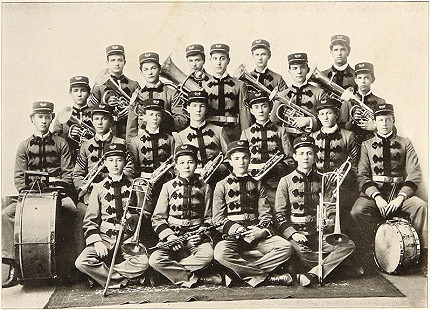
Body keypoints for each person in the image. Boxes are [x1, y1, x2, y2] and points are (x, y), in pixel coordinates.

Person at [2, 101, 76, 288]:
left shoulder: (62, 143)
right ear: (32, 119)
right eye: (39, 117)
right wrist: (32, 193)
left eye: (47, 117)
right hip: (32, 196)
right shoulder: (23, 146)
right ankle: (14, 266)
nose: (43, 121)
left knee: (71, 211)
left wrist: (56, 190)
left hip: (57, 196)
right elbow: (19, 179)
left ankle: (67, 267)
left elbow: (68, 175)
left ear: (52, 118)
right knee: (7, 214)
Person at [350, 103, 427, 267]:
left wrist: (400, 198)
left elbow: (415, 173)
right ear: (375, 123)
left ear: (393, 121)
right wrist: (377, 197)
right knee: (357, 211)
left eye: (387, 119)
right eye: (380, 120)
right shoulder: (366, 145)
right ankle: (373, 251)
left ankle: (423, 257)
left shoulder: (406, 143)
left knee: (420, 206)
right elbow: (362, 175)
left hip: (399, 193)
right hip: (375, 194)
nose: (384, 123)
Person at [274, 136, 355, 287]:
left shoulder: (324, 179)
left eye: (309, 153)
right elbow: (279, 214)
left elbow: (331, 206)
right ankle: (332, 267)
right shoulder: (285, 181)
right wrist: (293, 234)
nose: (306, 157)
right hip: (297, 234)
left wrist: (329, 220)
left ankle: (313, 273)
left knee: (348, 245)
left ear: (315, 157)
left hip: (320, 234)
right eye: (302, 153)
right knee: (298, 252)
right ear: (295, 156)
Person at [213, 140, 293, 287]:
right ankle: (266, 277)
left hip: (256, 234)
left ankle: (238, 274)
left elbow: (265, 214)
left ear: (249, 159)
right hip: (233, 236)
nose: (241, 162)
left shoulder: (258, 183)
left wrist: (261, 231)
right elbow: (217, 218)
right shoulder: (221, 185)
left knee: (286, 247)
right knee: (219, 253)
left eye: (245, 158)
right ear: (230, 161)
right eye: (236, 158)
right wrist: (235, 229)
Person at [75, 143, 148, 288]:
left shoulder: (136, 185)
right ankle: (124, 279)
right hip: (105, 238)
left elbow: (143, 213)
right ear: (104, 163)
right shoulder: (98, 188)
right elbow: (90, 221)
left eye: (119, 160)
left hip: (128, 239)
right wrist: (97, 242)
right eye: (110, 160)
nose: (115, 164)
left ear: (125, 162)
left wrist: (132, 218)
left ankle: (102, 276)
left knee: (144, 263)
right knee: (81, 262)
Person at [149, 144, 221, 287]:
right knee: (154, 260)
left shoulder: (206, 187)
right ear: (176, 166)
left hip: (195, 238)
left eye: (190, 162)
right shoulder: (167, 187)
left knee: (208, 256)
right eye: (182, 163)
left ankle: (168, 274)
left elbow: (208, 218)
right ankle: (199, 279)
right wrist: (170, 237)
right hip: (174, 237)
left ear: (197, 164)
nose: (186, 166)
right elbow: (157, 218)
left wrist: (201, 234)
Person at [73, 103, 134, 253]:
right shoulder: (86, 145)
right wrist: (87, 191)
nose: (100, 122)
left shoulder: (122, 143)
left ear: (111, 121)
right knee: (81, 212)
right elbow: (78, 174)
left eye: (104, 119)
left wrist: (113, 183)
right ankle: (88, 255)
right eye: (96, 119)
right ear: (92, 121)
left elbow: (130, 168)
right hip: (91, 194)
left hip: (117, 191)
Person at [128, 98, 175, 247]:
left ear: (162, 117)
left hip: (165, 183)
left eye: (158, 115)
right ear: (144, 117)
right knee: (145, 215)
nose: (154, 118)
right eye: (150, 115)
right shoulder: (135, 141)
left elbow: (174, 164)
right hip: (144, 184)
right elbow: (133, 169)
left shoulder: (170, 139)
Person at [310, 98, 359, 238]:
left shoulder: (349, 136)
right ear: (318, 116)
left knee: (342, 214)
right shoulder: (312, 137)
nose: (325, 117)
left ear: (336, 114)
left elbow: (354, 166)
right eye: (322, 114)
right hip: (318, 184)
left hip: (341, 185)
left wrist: (342, 177)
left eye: (329, 113)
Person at [240, 91, 294, 209]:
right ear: (251, 111)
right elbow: (241, 159)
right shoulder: (246, 133)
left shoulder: (281, 131)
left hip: (275, 183)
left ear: (270, 108)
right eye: (256, 107)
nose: (260, 110)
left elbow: (290, 159)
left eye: (264, 106)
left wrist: (278, 168)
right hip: (253, 182)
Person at [126, 52, 188, 142]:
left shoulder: (172, 93)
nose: (150, 73)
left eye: (153, 68)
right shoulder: (137, 95)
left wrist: (162, 119)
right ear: (141, 72)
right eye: (146, 69)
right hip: (143, 144)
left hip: (165, 142)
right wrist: (131, 146)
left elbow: (183, 121)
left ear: (159, 70)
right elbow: (131, 128)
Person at [174, 90, 230, 188]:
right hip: (193, 183)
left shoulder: (219, 130)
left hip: (218, 180)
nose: (198, 110)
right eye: (194, 106)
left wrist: (216, 170)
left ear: (207, 109)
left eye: (202, 106)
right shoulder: (181, 136)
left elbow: (229, 157)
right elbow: (177, 164)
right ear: (187, 108)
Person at [203, 43, 251, 141]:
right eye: (215, 58)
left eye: (222, 58)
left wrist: (245, 137)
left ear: (228, 60)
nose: (218, 63)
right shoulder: (203, 84)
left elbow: (244, 114)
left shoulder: (239, 85)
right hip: (210, 133)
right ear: (210, 61)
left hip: (233, 132)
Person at [90, 45, 140, 139]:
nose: (117, 64)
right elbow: (91, 109)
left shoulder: (134, 85)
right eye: (113, 60)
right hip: (106, 133)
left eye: (119, 60)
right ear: (107, 62)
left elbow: (140, 109)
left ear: (124, 62)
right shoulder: (98, 86)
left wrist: (130, 108)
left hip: (129, 130)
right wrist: (105, 104)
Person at [271, 53, 325, 139]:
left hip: (312, 139)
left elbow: (327, 120)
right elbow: (274, 122)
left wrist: (309, 121)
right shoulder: (282, 95)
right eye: (295, 68)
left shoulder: (319, 93)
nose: (299, 71)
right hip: (288, 139)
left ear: (308, 69)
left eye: (302, 67)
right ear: (289, 71)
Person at [52, 76, 94, 163]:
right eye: (75, 90)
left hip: (92, 158)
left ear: (89, 93)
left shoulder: (96, 113)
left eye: (83, 90)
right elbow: (54, 141)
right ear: (70, 93)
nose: (79, 94)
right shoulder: (63, 114)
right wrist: (68, 135)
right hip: (69, 160)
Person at [345, 62, 386, 145]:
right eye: (359, 78)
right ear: (355, 80)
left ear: (372, 79)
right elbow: (341, 128)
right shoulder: (347, 102)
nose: (363, 82)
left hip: (374, 145)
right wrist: (353, 121)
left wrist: (374, 127)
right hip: (353, 145)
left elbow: (391, 129)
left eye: (366, 78)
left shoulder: (380, 102)